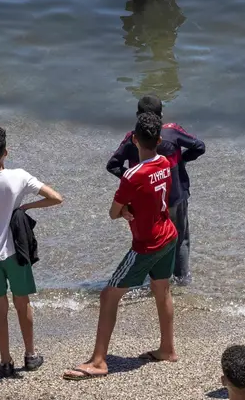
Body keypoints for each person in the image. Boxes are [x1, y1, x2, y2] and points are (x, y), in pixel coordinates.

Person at [66, 113, 180, 378]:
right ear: (159, 140)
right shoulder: (164, 162)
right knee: (162, 289)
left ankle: (98, 361)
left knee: (109, 295)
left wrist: (126, 208)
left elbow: (113, 212)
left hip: (147, 244)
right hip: (169, 235)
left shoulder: (132, 175)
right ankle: (167, 348)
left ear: (134, 139)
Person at [0, 126, 64, 379]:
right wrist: (24, 206)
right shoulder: (18, 177)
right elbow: (55, 198)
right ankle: (30, 355)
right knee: (23, 301)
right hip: (16, 251)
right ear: (6, 152)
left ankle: (5, 361)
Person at [108, 96, 205, 285]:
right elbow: (199, 146)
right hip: (175, 196)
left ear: (137, 115)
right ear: (161, 115)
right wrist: (182, 160)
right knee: (180, 238)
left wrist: (134, 178)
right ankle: (182, 280)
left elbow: (113, 165)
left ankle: (153, 279)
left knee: (149, 238)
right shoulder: (171, 132)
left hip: (144, 200)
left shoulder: (132, 139)